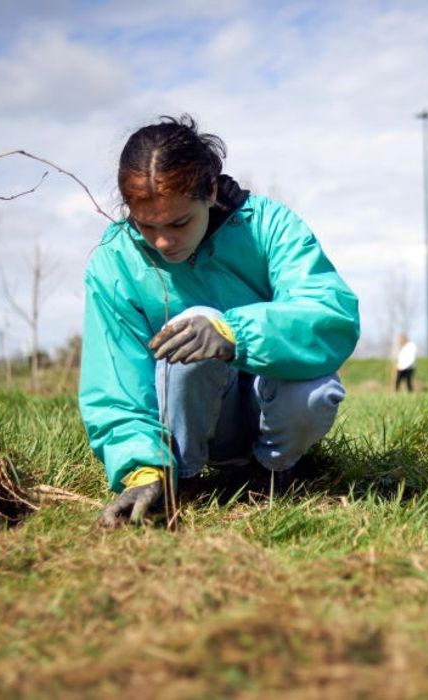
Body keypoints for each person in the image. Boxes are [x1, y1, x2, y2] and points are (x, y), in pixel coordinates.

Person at [79, 115, 360, 527]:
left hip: (269, 406)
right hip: (186, 430)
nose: (162, 241)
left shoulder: (268, 225)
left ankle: (271, 472)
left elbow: (329, 312)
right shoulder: (114, 261)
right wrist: (139, 470)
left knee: (316, 389)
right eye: (146, 225)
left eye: (179, 223)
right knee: (193, 322)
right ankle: (179, 479)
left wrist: (233, 335)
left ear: (209, 190)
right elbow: (116, 382)